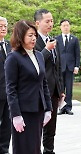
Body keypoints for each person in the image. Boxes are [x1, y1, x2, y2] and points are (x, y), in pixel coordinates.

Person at [5, 20, 52, 154]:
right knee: (24, 148)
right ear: (20, 36)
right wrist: (15, 115)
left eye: (35, 35)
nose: (33, 38)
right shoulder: (13, 58)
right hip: (23, 111)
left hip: (38, 109)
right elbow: (11, 89)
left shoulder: (38, 55)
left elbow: (43, 83)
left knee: (35, 147)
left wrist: (48, 108)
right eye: (30, 35)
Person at [34, 9, 64, 154]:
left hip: (53, 91)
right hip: (38, 91)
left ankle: (49, 150)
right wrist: (46, 49)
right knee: (38, 125)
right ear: (37, 23)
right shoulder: (33, 40)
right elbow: (34, 62)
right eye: (47, 21)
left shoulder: (52, 40)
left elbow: (57, 67)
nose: (50, 24)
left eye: (52, 21)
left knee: (51, 126)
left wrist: (61, 89)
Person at [56, 19, 80, 115]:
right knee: (61, 88)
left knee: (69, 88)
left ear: (69, 27)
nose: (66, 27)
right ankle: (61, 107)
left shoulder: (74, 39)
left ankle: (68, 107)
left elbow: (77, 54)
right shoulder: (56, 39)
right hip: (60, 66)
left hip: (70, 67)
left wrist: (77, 66)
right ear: (60, 27)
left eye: (67, 25)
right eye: (64, 25)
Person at [0, 16, 11, 154]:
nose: (3, 28)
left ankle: (4, 149)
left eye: (5, 26)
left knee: (7, 124)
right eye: (0, 26)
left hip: (9, 92)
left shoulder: (9, 45)